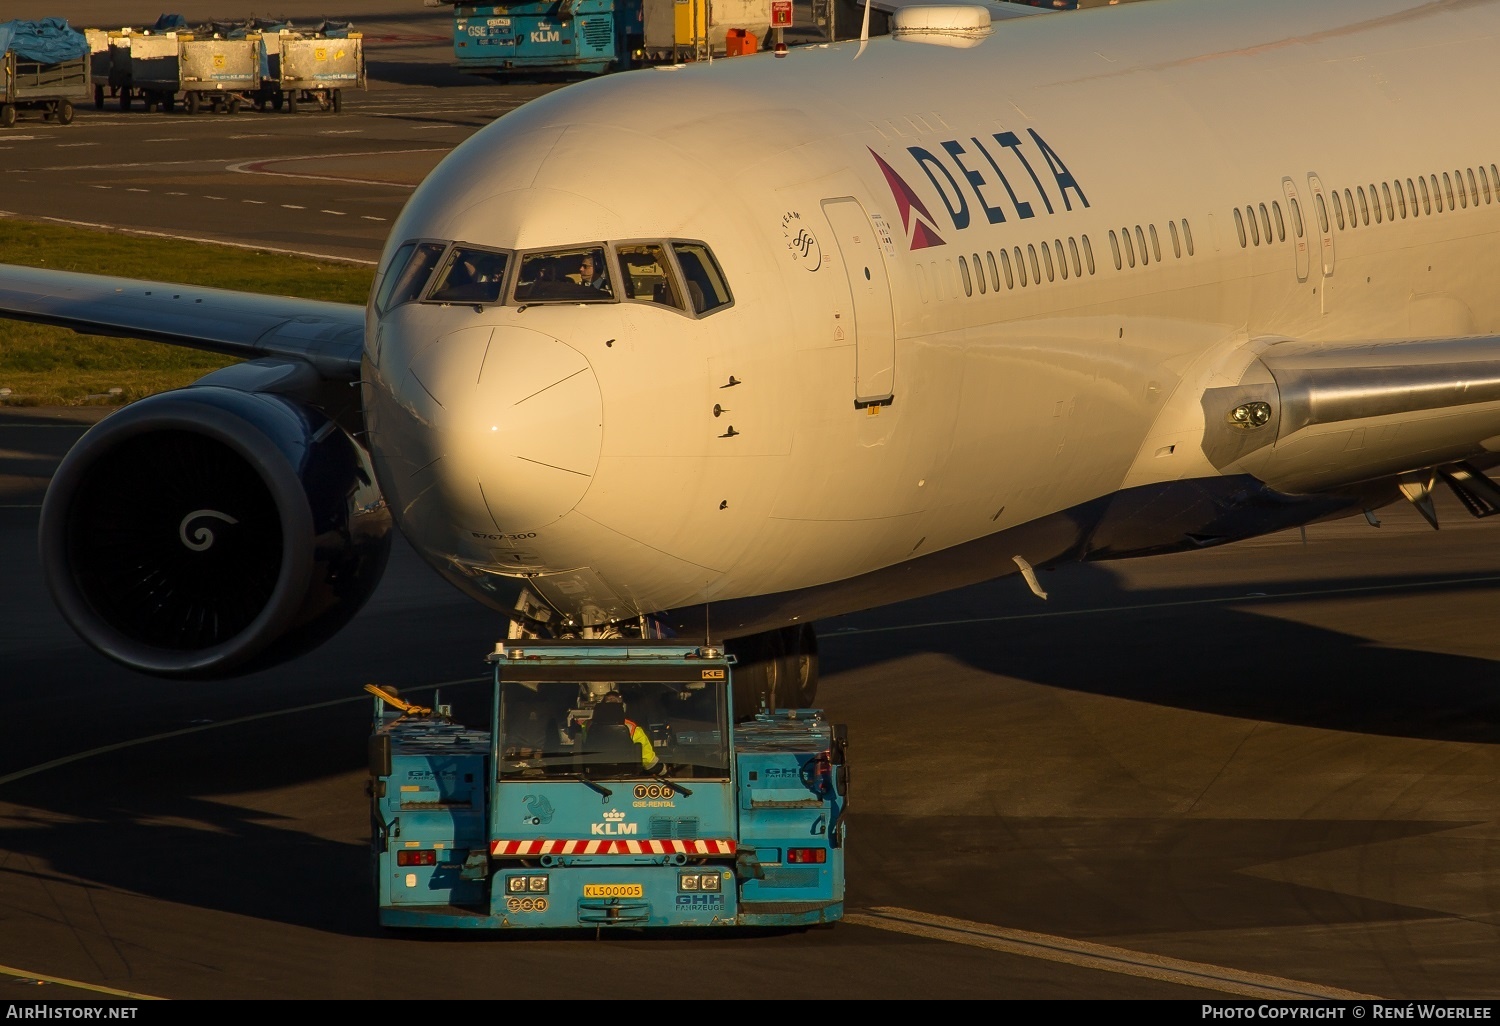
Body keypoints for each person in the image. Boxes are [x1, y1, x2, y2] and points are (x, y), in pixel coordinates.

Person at [568, 691, 662, 773]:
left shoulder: (586, 726)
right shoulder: (633, 729)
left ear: (601, 706)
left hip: (593, 777)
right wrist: (664, 771)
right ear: (623, 707)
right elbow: (650, 763)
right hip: (627, 779)